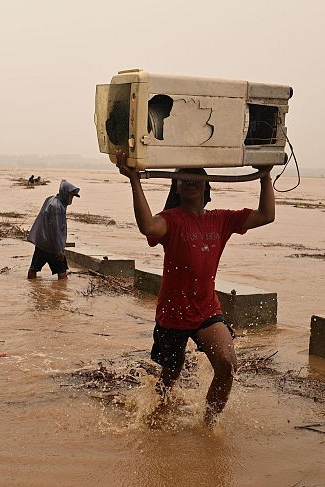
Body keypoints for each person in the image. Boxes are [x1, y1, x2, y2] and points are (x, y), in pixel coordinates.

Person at [116, 151, 274, 426]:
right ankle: (155, 417)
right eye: (184, 178)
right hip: (173, 315)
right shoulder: (171, 218)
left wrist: (265, 176)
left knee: (227, 365)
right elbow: (147, 226)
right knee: (170, 376)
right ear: (177, 186)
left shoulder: (221, 219)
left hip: (206, 311)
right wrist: (134, 180)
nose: (190, 181)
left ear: (206, 186)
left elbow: (266, 215)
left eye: (196, 177)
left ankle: (208, 426)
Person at [27, 180, 80, 280]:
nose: (72, 199)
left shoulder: (51, 199)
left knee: (33, 269)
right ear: (65, 194)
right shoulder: (57, 207)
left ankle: (32, 290)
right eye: (71, 196)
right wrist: (60, 250)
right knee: (62, 274)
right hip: (52, 246)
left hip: (41, 243)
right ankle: (61, 294)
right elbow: (57, 230)